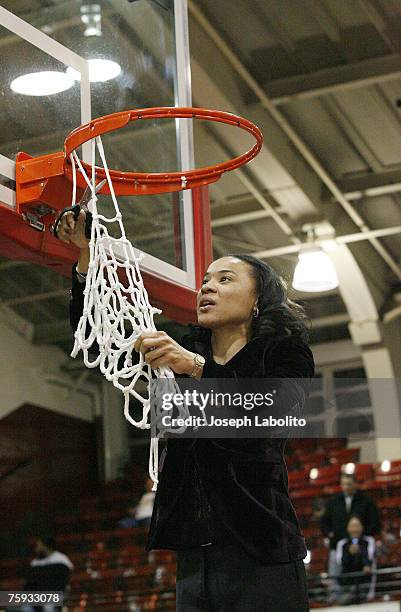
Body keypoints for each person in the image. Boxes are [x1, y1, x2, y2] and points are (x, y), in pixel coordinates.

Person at [60, 210, 315, 611]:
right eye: (205, 280)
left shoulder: (283, 352)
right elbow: (97, 342)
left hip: (261, 548)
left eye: (225, 279)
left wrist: (197, 370)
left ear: (257, 301)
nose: (207, 287)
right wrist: (86, 255)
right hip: (194, 553)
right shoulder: (182, 352)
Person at [320, 472, 380, 602]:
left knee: (366, 568)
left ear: (355, 484)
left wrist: (360, 537)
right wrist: (330, 534)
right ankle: (335, 598)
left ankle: (366, 597)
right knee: (335, 572)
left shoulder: (366, 501)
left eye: (349, 484)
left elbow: (375, 523)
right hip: (337, 545)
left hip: (362, 545)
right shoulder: (333, 501)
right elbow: (324, 522)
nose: (346, 487)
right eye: (343, 484)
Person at [22, 536, 73, 612]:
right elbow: (30, 584)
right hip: (38, 595)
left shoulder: (61, 559)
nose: (36, 548)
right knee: (24, 605)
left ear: (45, 546)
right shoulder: (35, 563)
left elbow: (64, 581)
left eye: (38, 545)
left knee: (48, 606)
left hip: (56, 593)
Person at [336, 516, 376, 605]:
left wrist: (360, 551)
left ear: (362, 527)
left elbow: (370, 559)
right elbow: (341, 563)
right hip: (347, 584)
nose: (355, 529)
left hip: (364, 583)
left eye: (357, 526)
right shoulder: (342, 544)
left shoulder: (369, 541)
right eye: (352, 526)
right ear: (348, 528)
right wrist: (349, 553)